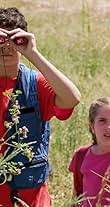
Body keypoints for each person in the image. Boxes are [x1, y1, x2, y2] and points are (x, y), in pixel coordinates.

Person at [0, 7, 81, 207]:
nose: (7, 47)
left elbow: (72, 98)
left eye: (14, 40)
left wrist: (32, 53)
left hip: (31, 198)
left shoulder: (34, 84)